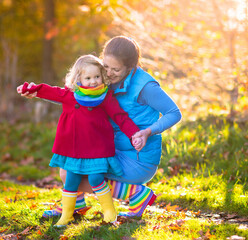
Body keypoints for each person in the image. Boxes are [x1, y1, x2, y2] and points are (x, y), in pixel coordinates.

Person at [34, 36, 182, 218]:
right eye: (106, 67)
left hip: (137, 157)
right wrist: (36, 92)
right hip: (111, 150)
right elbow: (78, 100)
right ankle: (75, 205)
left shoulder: (145, 87)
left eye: (116, 69)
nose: (109, 73)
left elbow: (174, 113)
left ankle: (136, 194)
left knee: (72, 173)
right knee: (68, 166)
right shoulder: (102, 80)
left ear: (130, 67)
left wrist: (147, 131)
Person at [17, 54, 143, 227]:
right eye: (88, 78)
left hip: (97, 148)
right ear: (79, 79)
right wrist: (33, 89)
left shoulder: (105, 97)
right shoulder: (70, 95)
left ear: (102, 76)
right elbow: (51, 91)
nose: (93, 82)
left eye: (97, 76)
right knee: (71, 180)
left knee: (96, 179)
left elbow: (120, 117)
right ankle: (67, 214)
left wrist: (135, 134)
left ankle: (109, 212)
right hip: (74, 148)